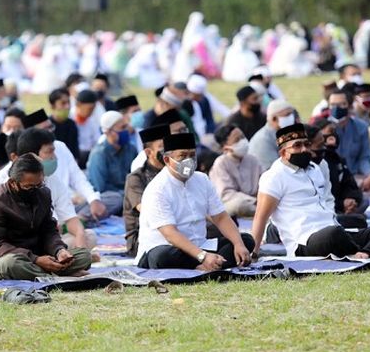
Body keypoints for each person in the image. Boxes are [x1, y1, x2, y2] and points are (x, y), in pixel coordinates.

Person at [251, 124, 370, 258]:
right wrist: (254, 252)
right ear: (283, 153)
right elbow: (260, 217)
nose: (304, 149)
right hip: (305, 240)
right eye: (297, 146)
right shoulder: (273, 177)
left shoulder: (314, 169)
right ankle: (356, 250)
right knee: (334, 235)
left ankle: (364, 253)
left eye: (306, 144)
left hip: (334, 228)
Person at [135, 133, 254, 270]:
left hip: (200, 246)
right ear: (167, 160)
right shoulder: (158, 189)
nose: (188, 160)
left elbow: (220, 217)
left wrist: (238, 244)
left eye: (192, 155)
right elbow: (170, 234)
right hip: (168, 248)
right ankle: (205, 264)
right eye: (182, 156)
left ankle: (208, 265)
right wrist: (202, 256)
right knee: (162, 257)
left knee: (245, 240)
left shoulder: (202, 179)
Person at [0, 154, 93, 281]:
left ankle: (49, 273)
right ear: (13, 183)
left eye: (39, 185)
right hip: (4, 258)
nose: (35, 190)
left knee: (84, 255)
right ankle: (57, 275)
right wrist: (35, 259)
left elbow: (49, 230)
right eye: (29, 187)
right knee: (11, 264)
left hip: (39, 256)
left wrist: (59, 251)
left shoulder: (43, 193)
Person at [21, 109, 110, 223]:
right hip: (46, 213)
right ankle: (77, 222)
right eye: (45, 129)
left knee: (112, 198)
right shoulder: (26, 164)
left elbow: (77, 177)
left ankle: (76, 221)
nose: (50, 132)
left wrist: (93, 199)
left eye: (50, 127)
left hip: (69, 205)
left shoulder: (60, 146)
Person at [123, 125, 169, 257]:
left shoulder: (174, 173)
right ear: (149, 153)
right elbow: (147, 210)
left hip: (175, 226)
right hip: (143, 237)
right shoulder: (136, 178)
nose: (167, 150)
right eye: (162, 146)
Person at [86, 111, 137, 215]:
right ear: (108, 132)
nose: (126, 130)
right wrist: (126, 195)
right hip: (112, 198)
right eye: (122, 128)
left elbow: (138, 175)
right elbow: (99, 188)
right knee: (115, 199)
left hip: (131, 195)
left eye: (126, 126)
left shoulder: (131, 149)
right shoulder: (99, 154)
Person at [209, 124, 262, 217]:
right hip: (235, 204)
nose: (243, 141)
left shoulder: (253, 159)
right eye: (237, 140)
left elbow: (264, 183)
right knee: (239, 204)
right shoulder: (221, 163)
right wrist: (252, 200)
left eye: (243, 137)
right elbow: (226, 194)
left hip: (257, 202)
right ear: (226, 147)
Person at [327, 89, 370, 177]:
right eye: (332, 105)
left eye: (342, 104)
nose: (336, 108)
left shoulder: (361, 127)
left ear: (350, 106)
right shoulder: (323, 130)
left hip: (356, 175)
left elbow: (364, 158)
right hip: (332, 178)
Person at [248, 99, 296, 171]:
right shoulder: (262, 140)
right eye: (287, 115)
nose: (292, 117)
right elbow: (273, 169)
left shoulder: (285, 133)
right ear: (274, 119)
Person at [72, 89, 102, 166]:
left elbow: (98, 141)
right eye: (90, 109)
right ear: (79, 104)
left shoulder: (91, 121)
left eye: (93, 109)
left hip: (90, 157)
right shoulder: (70, 120)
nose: (92, 112)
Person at [49, 88, 80, 159]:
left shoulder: (72, 124)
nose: (67, 106)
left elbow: (75, 153)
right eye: (63, 103)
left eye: (68, 102)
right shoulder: (45, 125)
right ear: (52, 106)